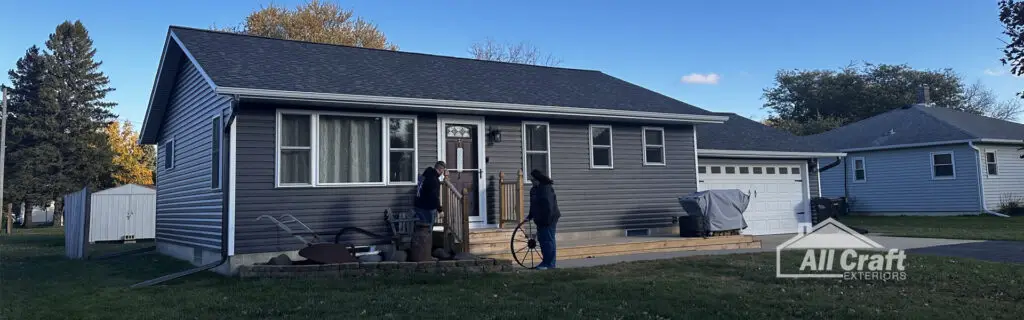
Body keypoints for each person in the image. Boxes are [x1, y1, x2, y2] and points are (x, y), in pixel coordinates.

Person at [526, 169, 560, 270]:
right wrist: (530, 216)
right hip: (540, 220)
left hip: (549, 219)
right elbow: (533, 205)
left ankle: (550, 264)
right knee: (542, 241)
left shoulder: (546, 189)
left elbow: (549, 207)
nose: (531, 181)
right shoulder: (533, 190)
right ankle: (545, 262)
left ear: (538, 179)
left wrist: (546, 221)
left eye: (532, 180)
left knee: (548, 241)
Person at [414, 161, 447, 228]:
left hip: (418, 205)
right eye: (443, 170)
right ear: (441, 169)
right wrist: (440, 210)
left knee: (420, 229)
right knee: (428, 230)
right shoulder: (434, 180)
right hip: (427, 208)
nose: (443, 172)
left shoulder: (426, 173)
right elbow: (434, 197)